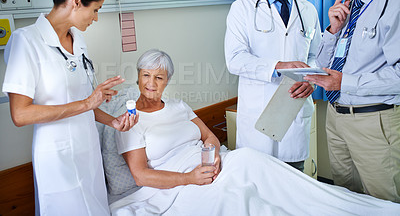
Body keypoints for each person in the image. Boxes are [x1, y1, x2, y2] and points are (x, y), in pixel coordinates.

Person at [110, 49, 400, 215]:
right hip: (183, 181)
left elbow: (209, 136)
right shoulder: (130, 120)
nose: (151, 83)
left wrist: (213, 157)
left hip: (217, 163)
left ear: (167, 81)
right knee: (240, 200)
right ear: (138, 77)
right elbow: (140, 175)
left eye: (159, 77)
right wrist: (190, 178)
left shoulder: (178, 105)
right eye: (146, 76)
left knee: (271, 173)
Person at [2, 0, 138, 215]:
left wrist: (113, 121)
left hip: (88, 150)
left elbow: (86, 103)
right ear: (76, 2)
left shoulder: (78, 40)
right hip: (57, 156)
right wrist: (88, 103)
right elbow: (20, 115)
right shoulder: (26, 41)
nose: (96, 18)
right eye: (95, 10)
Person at [304, 0, 400, 203]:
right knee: (346, 199)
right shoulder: (350, 4)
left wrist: (345, 82)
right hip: (337, 119)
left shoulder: (395, 2)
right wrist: (333, 31)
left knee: (383, 201)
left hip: (374, 121)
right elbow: (324, 65)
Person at [224, 0, 322, 171]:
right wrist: (278, 66)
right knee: (259, 188)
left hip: (293, 112)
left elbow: (315, 55)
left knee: (294, 185)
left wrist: (312, 80)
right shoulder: (242, 9)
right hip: (259, 115)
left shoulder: (307, 10)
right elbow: (235, 59)